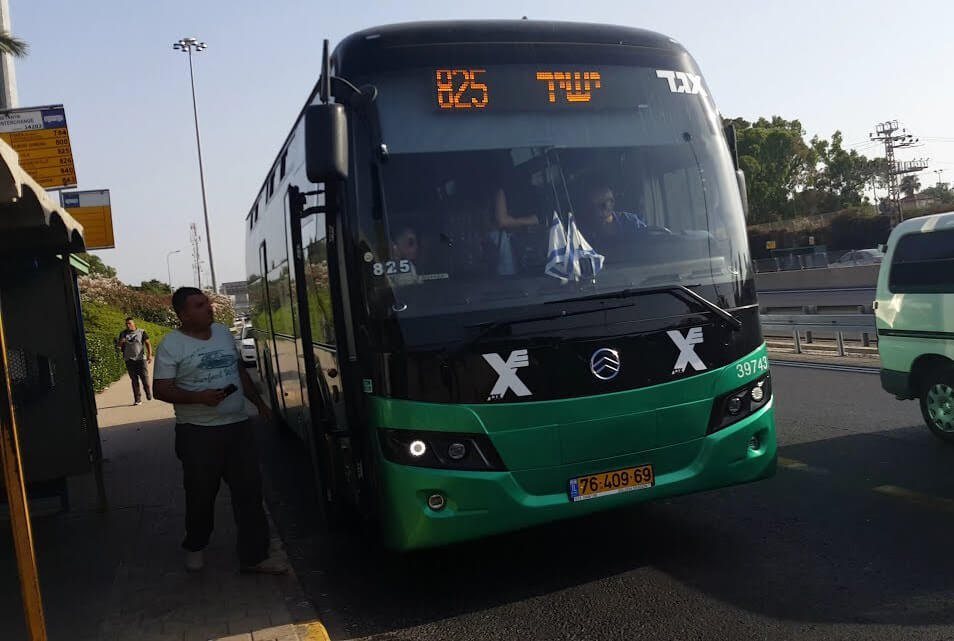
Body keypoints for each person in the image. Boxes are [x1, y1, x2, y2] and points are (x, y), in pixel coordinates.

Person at [152, 287, 287, 574]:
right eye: (200, 305)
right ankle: (196, 544)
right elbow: (161, 389)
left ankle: (255, 557)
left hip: (238, 428)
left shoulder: (224, 333)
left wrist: (259, 404)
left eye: (208, 303)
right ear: (183, 314)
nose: (209, 308)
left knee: (249, 493)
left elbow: (238, 371)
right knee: (201, 495)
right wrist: (198, 397)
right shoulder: (171, 345)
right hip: (198, 434)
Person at [118, 317, 152, 406]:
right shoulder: (123, 333)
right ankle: (137, 399)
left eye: (129, 323)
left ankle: (148, 392)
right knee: (134, 380)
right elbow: (119, 345)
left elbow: (148, 343)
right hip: (129, 359)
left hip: (141, 359)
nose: (128, 325)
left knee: (144, 378)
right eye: (126, 324)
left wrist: (149, 355)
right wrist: (121, 342)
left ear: (134, 324)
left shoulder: (141, 332)